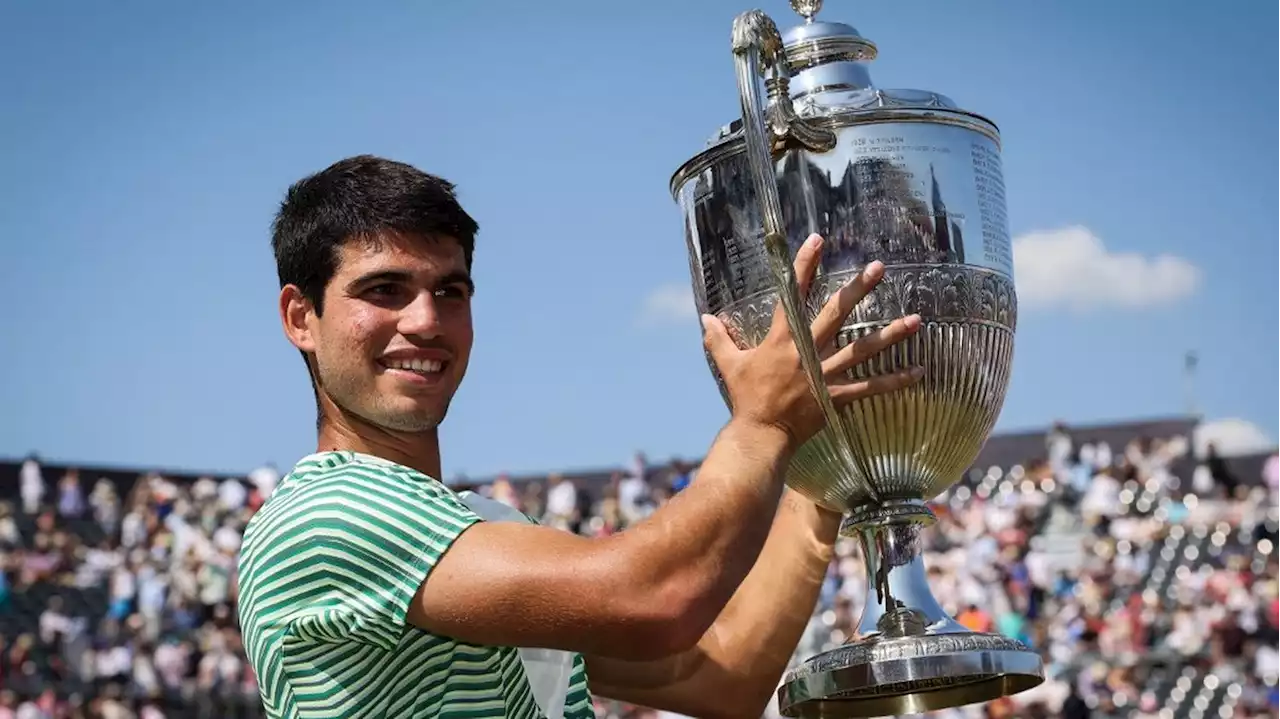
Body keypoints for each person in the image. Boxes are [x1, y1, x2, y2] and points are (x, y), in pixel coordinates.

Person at [236, 154, 924, 719]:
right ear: (301, 317)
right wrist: (765, 422)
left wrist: (826, 470)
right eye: (384, 289)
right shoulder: (321, 517)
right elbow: (654, 597)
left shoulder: (484, 528)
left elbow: (727, 675)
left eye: (451, 291)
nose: (425, 320)